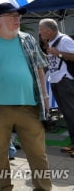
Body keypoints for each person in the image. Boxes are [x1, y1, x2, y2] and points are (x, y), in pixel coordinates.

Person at [0, 3, 52, 191]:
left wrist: (45, 98)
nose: (17, 20)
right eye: (12, 16)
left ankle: (43, 188)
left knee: (38, 153)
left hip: (29, 106)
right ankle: (4, 188)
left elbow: (40, 67)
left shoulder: (28, 39)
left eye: (18, 16)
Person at [39, 18, 74, 155]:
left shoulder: (64, 40)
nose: (40, 33)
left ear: (49, 30)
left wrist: (57, 53)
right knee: (67, 114)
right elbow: (55, 59)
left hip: (65, 81)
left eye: (41, 30)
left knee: (71, 113)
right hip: (56, 81)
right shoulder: (51, 42)